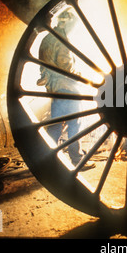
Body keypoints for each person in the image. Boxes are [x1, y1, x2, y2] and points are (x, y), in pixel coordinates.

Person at [37, 11, 95, 170]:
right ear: (66, 23)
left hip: (55, 89)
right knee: (75, 124)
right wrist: (83, 78)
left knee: (56, 124)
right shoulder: (62, 40)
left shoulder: (47, 39)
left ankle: (47, 157)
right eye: (72, 25)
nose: (72, 28)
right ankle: (77, 160)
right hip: (67, 88)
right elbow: (66, 68)